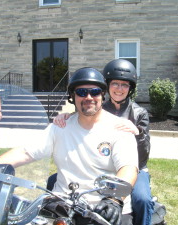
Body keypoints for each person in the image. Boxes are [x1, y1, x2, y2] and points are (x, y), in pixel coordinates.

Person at [0, 67, 139, 225]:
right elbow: (25, 153)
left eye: (94, 92)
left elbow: (128, 168)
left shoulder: (120, 128)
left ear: (102, 95)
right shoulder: (60, 126)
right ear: (72, 96)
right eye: (81, 92)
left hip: (105, 210)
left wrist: (114, 199)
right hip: (62, 206)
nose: (88, 97)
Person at [53, 59, 153, 225]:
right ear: (107, 86)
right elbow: (80, 116)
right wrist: (66, 116)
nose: (119, 89)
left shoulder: (139, 113)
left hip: (134, 167)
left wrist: (137, 133)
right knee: (53, 181)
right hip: (102, 166)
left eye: (124, 85)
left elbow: (143, 156)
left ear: (130, 88)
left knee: (142, 199)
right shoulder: (97, 104)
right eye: (115, 83)